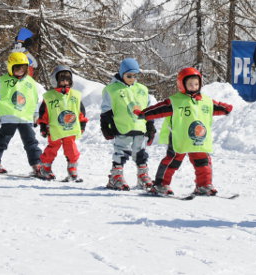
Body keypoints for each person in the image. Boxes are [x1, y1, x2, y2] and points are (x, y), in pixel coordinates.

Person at [137, 67, 233, 196]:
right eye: (190, 84)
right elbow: (159, 108)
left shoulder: (206, 101)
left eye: (196, 84)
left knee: (203, 161)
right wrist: (145, 113)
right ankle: (160, 185)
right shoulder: (175, 101)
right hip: (179, 137)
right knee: (172, 161)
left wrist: (225, 108)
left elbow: (216, 107)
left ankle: (204, 185)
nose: (193, 87)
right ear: (182, 84)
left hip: (198, 138)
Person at [0, 51, 43, 174]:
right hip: (9, 116)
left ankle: (38, 165)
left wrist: (35, 114)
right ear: (10, 67)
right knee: (2, 140)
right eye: (17, 68)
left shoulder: (30, 82)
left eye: (23, 68)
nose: (20, 71)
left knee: (31, 142)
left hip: (25, 117)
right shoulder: (3, 81)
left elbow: (33, 99)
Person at [101, 57, 156, 190]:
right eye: (128, 75)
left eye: (134, 75)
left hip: (139, 127)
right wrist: (106, 125)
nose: (132, 78)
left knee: (141, 153)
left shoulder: (142, 89)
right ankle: (116, 176)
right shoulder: (111, 89)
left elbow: (148, 108)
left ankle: (143, 176)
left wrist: (150, 125)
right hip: (121, 126)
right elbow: (106, 109)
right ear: (121, 74)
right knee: (121, 152)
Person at [35, 65, 88, 181]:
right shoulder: (49, 97)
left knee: (72, 150)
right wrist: (43, 127)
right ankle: (45, 168)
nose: (65, 82)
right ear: (56, 81)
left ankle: (72, 170)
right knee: (51, 149)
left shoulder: (75, 96)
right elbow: (44, 113)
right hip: (55, 130)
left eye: (67, 80)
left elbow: (81, 112)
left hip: (70, 129)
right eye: (62, 80)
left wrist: (82, 124)